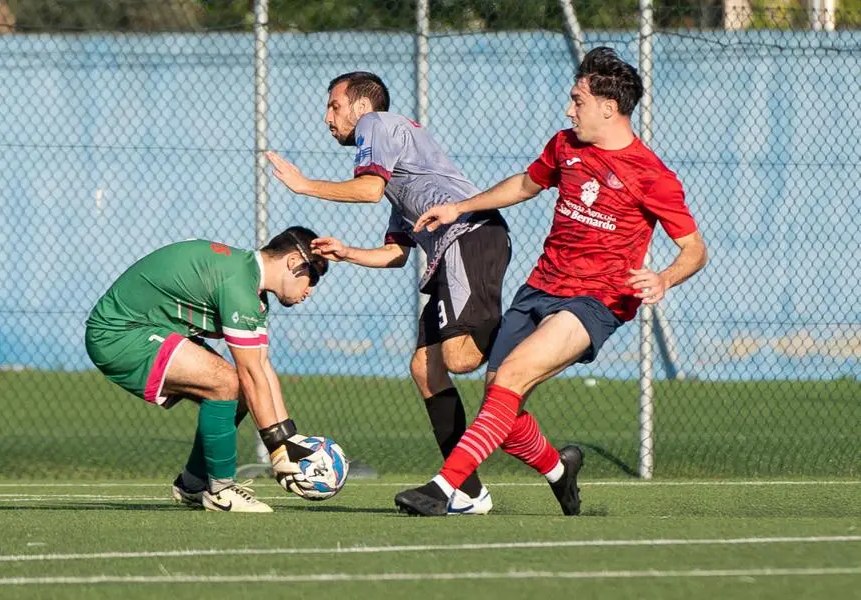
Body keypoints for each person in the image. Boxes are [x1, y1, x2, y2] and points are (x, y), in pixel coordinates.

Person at [394, 47, 709, 516]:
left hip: (596, 300)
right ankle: (560, 471)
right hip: (540, 287)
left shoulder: (653, 175)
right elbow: (525, 184)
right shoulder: (565, 146)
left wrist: (664, 278)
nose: (569, 109)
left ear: (609, 106)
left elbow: (696, 249)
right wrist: (460, 207)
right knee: (501, 400)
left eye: (577, 100)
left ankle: (447, 489)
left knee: (513, 378)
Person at [266, 71, 511, 515]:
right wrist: (347, 252)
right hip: (455, 250)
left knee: (459, 359)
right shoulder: (402, 171)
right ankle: (470, 491)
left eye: (334, 106)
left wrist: (305, 186)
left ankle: (533, 332)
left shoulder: (375, 127)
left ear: (361, 107)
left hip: (471, 237)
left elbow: (367, 190)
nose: (327, 118)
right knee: (425, 368)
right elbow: (397, 253)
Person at [85, 227, 330, 513]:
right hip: (119, 333)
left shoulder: (251, 287)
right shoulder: (239, 285)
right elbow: (250, 374)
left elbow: (262, 368)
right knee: (227, 383)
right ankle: (221, 489)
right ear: (292, 262)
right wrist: (278, 448)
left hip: (152, 327)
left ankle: (193, 483)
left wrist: (288, 439)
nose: (310, 290)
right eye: (313, 277)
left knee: (240, 391)